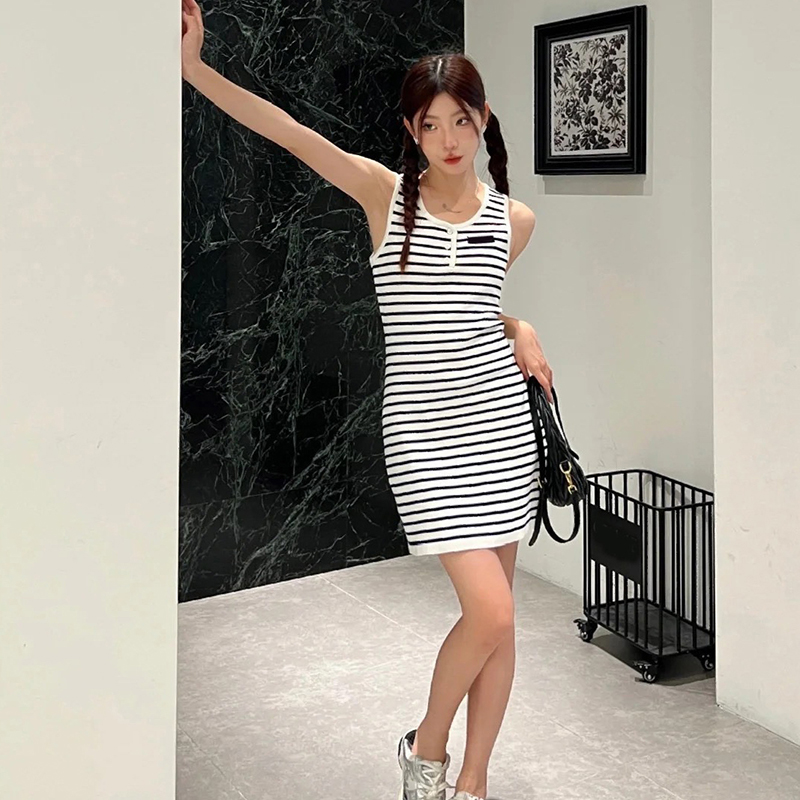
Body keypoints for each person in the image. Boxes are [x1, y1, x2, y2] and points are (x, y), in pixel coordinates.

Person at [182, 3, 554, 799]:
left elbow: (466, 313)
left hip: (500, 430)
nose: (449, 139)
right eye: (431, 124)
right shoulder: (387, 197)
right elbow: (291, 134)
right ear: (412, 131)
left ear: (483, 119)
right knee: (488, 614)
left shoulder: (514, 221)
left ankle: (474, 782)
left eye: (461, 120)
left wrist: (519, 326)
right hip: (424, 438)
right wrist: (194, 70)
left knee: (501, 620)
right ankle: (426, 747)